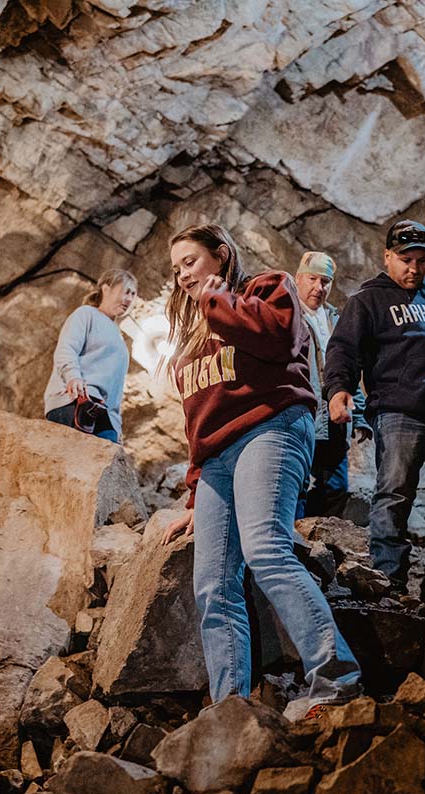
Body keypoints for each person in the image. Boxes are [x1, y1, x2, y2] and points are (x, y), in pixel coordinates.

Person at [158, 223, 361, 720]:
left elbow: (278, 338)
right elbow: (198, 419)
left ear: (221, 256)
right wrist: (194, 497)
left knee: (266, 549)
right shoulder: (191, 337)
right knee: (212, 583)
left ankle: (336, 680)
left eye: (190, 262)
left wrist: (217, 303)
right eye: (176, 268)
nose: (182, 274)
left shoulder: (267, 287)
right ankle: (230, 711)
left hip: (270, 429)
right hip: (217, 461)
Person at [324, 220, 425, 599]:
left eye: (421, 260)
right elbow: (343, 350)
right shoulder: (367, 301)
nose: (413, 268)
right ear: (387, 257)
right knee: (395, 493)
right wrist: (339, 390)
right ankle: (389, 584)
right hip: (400, 412)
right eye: (405, 259)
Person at [292, 251, 371, 519]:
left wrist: (359, 417)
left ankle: (319, 543)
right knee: (298, 483)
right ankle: (294, 546)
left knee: (336, 487)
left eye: (325, 281)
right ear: (298, 279)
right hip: (303, 415)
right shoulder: (287, 317)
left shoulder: (337, 320)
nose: (318, 287)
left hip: (336, 418)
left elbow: (350, 369)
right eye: (312, 279)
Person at [42, 268, 138, 443]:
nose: (129, 299)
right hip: (74, 402)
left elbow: (115, 387)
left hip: (104, 413)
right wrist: (72, 376)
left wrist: (116, 425)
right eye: (126, 291)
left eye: (133, 294)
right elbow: (67, 348)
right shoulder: (86, 314)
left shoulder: (119, 337)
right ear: (106, 288)